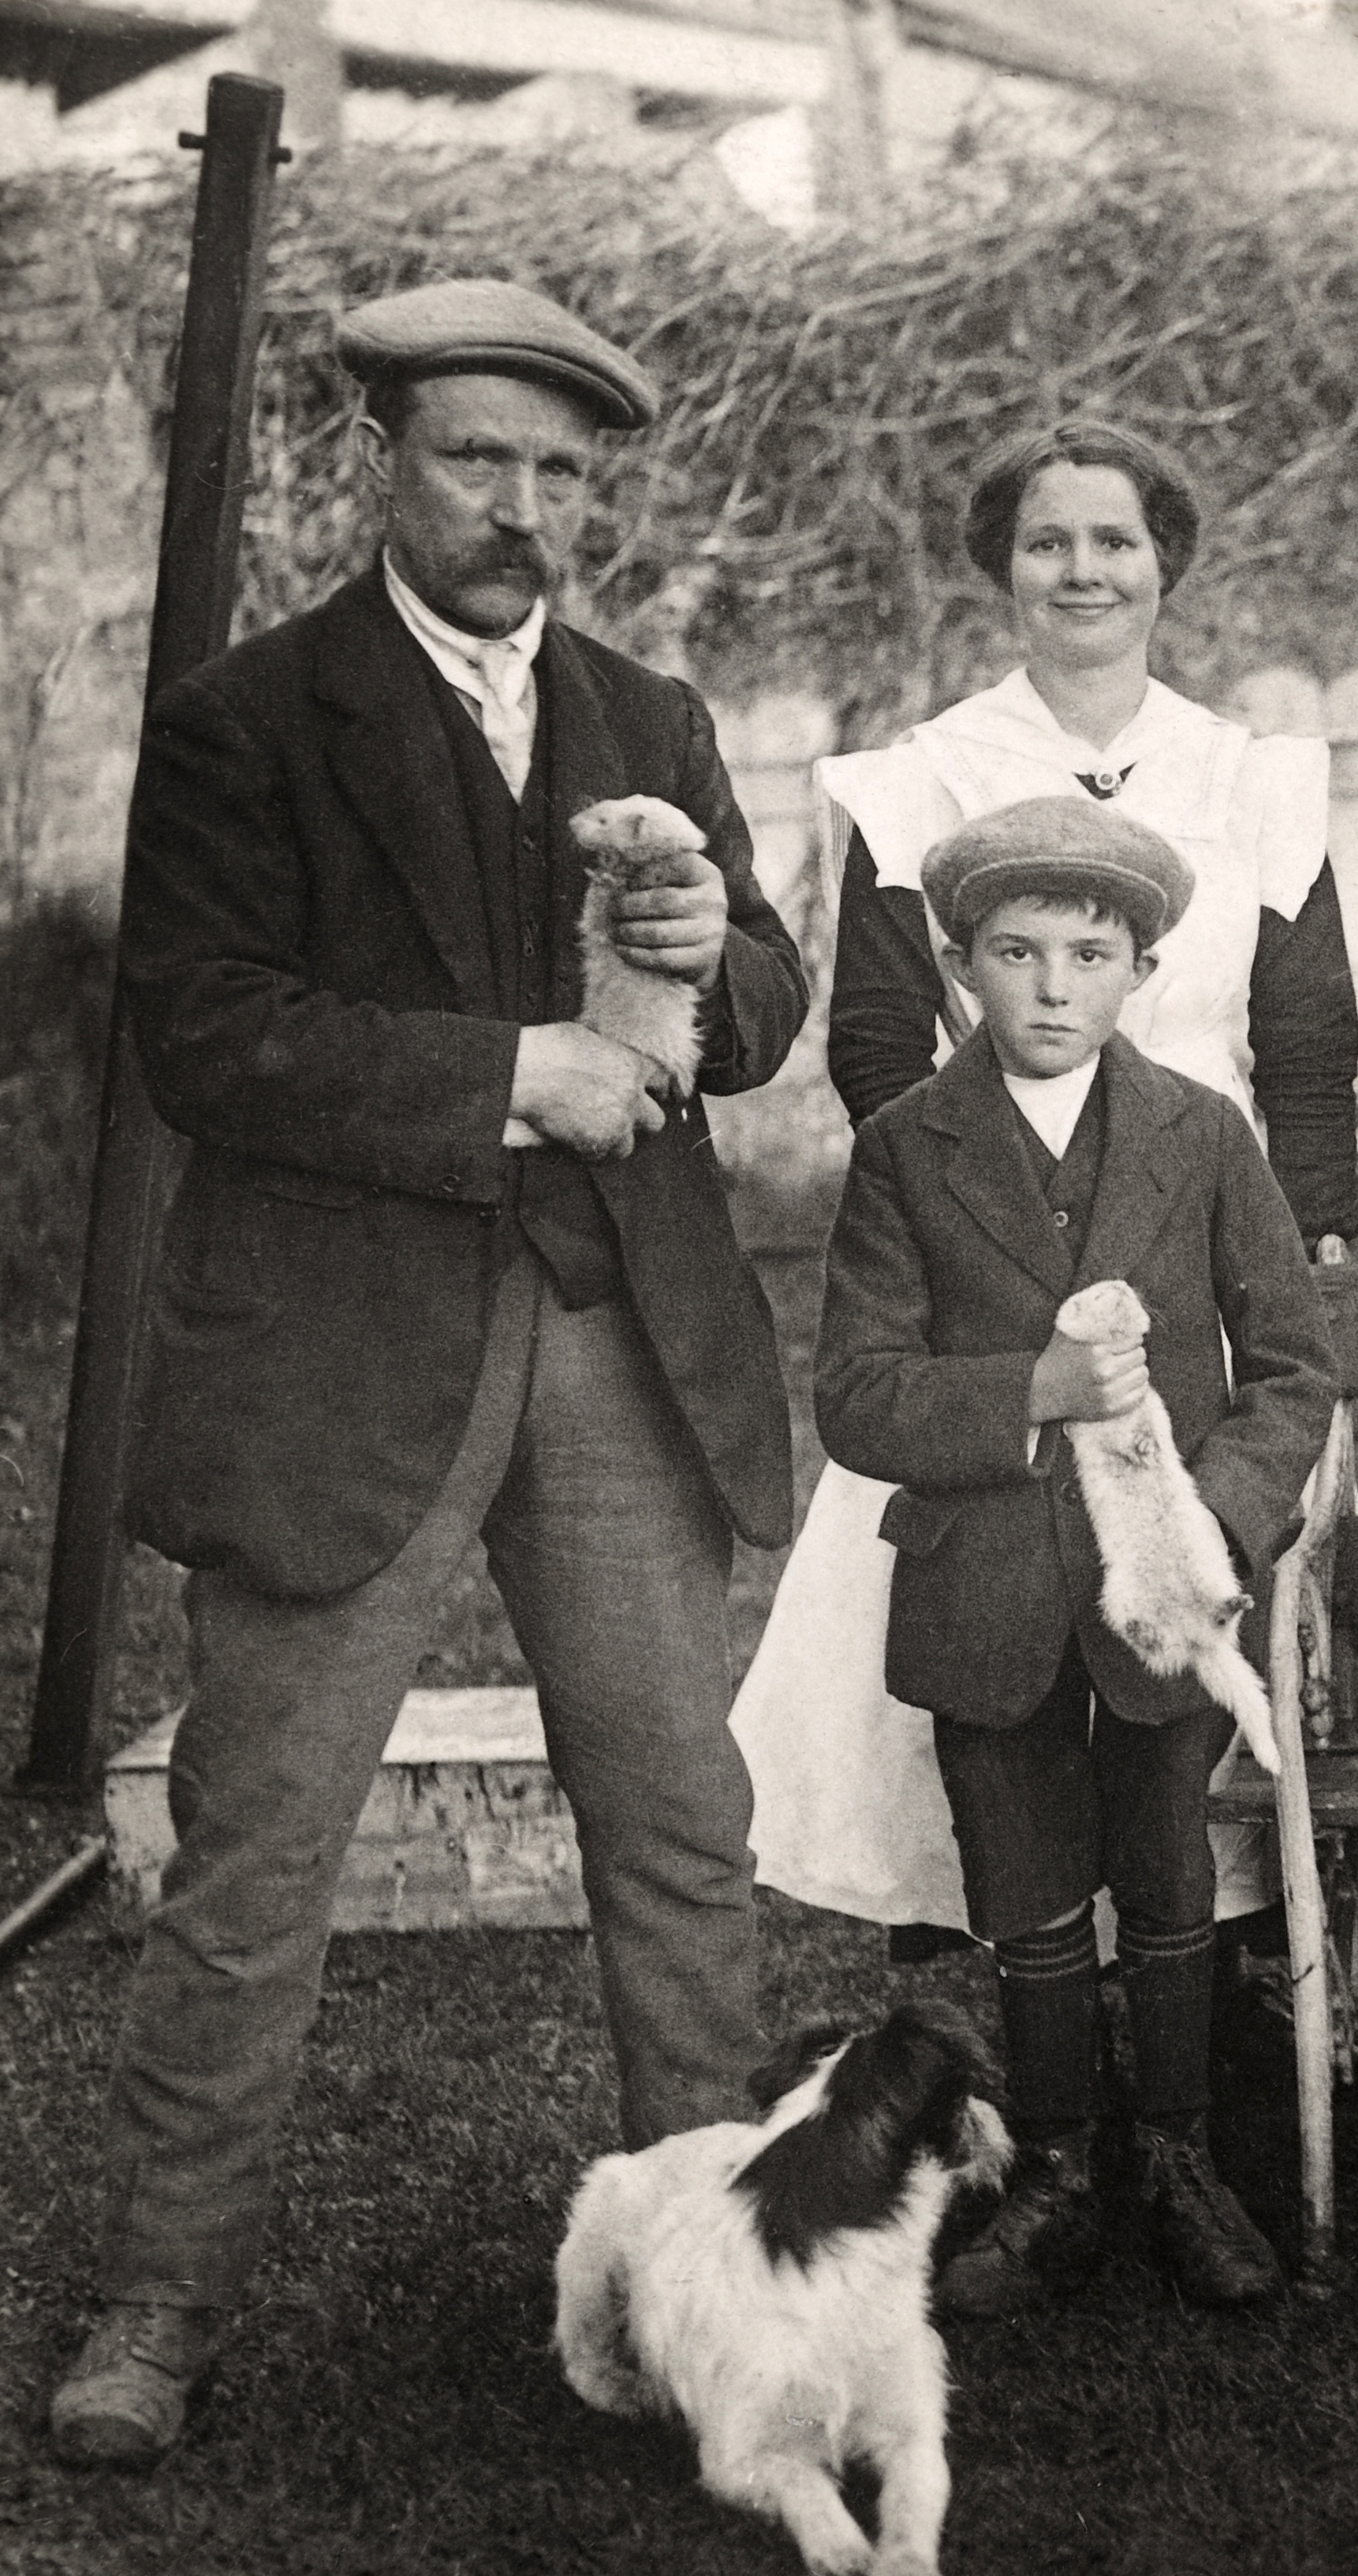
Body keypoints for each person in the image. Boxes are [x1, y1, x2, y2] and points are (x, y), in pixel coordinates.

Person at [58, 280, 803, 2467]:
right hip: (338, 1362)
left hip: (616, 1344)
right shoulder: (246, 718)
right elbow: (204, 1029)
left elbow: (756, 1001)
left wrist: (707, 964)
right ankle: (158, 2303)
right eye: (479, 459)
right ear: (389, 460)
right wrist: (512, 1071)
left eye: (563, 474)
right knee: (257, 1850)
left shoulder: (647, 710)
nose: (522, 509)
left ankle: (722, 2296)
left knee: (679, 1828)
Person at [729, 416, 1358, 1952]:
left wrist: (1301, 1242)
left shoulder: (1251, 770)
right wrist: (967, 1218)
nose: (1083, 569)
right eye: (1048, 541)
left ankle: (1220, 1948)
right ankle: (990, 1944)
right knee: (995, 1597)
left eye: (1114, 540)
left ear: (1165, 564)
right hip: (988, 1271)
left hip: (1200, 1234)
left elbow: (1305, 1034)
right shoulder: (925, 770)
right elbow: (879, 1038)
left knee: (1195, 1592)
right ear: (1002, 568)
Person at [812, 796, 1338, 2313]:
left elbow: (1292, 1369)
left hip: (1161, 1595)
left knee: (1169, 1874)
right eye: (1016, 952)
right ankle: (1046, 2165)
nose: (1052, 987)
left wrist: (1212, 1518)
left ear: (1142, 968)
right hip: (985, 1585)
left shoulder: (1201, 1131)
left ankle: (1173, 2157)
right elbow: (853, 1390)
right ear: (958, 964)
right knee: (1027, 1887)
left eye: (1089, 953)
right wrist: (1023, 1398)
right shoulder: (911, 1147)